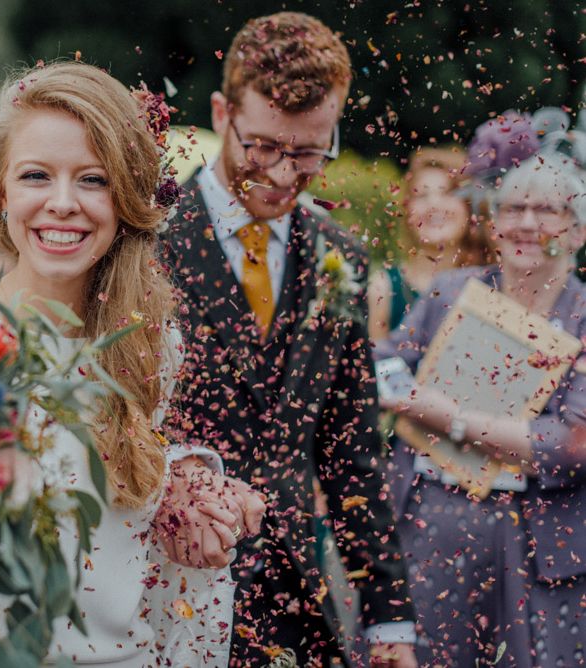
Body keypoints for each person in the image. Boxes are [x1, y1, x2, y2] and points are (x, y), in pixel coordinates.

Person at [0, 60, 265, 667]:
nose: (62, 204)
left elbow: (115, 485)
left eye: (93, 180)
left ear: (127, 197)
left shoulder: (155, 348)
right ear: (1, 191)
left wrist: (198, 489)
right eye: (35, 176)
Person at [163, 12, 417, 667]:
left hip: (296, 599)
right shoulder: (147, 245)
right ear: (222, 113)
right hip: (167, 590)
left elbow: (351, 451)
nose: (282, 175)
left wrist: (389, 617)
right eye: (265, 147)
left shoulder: (343, 260)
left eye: (308, 152)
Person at [374, 153, 586, 666]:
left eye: (548, 210)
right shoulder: (452, 290)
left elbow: (570, 446)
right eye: (513, 208)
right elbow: (382, 362)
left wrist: (452, 419)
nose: (528, 224)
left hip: (533, 542)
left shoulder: (582, 318)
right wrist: (404, 392)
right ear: (492, 224)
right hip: (427, 523)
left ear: (577, 232)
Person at [368, 147, 483, 341]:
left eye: (448, 193)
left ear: (469, 206)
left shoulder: (492, 281)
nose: (434, 205)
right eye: (421, 196)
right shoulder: (383, 289)